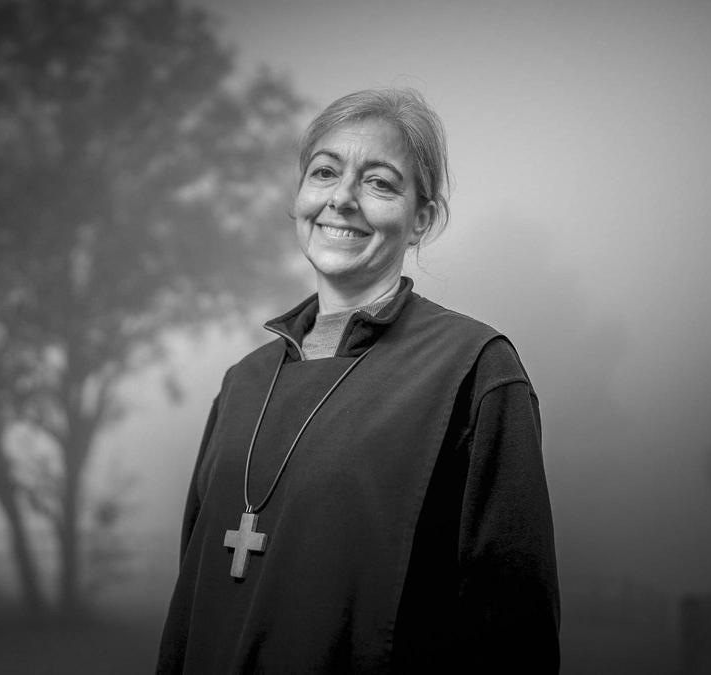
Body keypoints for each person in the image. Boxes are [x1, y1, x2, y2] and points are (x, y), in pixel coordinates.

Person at [156, 88, 559, 673]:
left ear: (422, 219)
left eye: (379, 182)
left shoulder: (474, 369)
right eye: (323, 173)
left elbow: (514, 628)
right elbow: (192, 601)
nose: (340, 199)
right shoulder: (241, 383)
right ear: (298, 198)